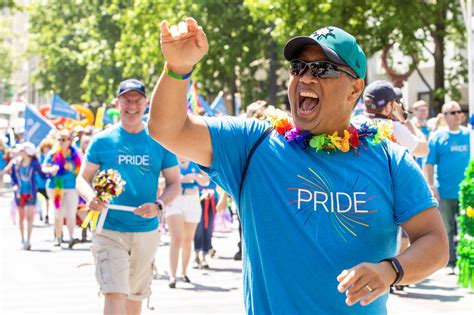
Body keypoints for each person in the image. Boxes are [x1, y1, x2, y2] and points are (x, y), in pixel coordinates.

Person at [148, 18, 448, 315]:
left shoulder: (389, 159)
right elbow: (168, 129)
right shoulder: (253, 145)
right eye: (298, 68)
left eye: (323, 69)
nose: (305, 78)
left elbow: (434, 241)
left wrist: (391, 270)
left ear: (355, 90)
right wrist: (177, 69)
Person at [76, 78, 181, 315]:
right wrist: (91, 197)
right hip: (110, 229)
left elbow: (175, 184)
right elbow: (82, 179)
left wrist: (159, 204)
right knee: (114, 292)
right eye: (126, 100)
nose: (132, 106)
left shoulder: (159, 140)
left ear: (146, 103)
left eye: (137, 100)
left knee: (135, 298)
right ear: (117, 103)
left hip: (145, 231)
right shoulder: (102, 140)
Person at [424, 101, 470, 274]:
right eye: (452, 112)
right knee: (447, 228)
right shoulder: (438, 137)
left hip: (467, 192)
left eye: (459, 111)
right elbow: (428, 164)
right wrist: (430, 186)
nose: (457, 114)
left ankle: (465, 260)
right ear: (445, 117)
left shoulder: (469, 135)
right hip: (445, 191)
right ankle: (450, 262)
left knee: (466, 226)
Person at [353, 80, 429, 158]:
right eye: (394, 102)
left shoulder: (355, 123)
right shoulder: (393, 128)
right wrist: (405, 120)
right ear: (388, 107)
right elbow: (424, 150)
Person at [165, 156, 209, 288]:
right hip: (175, 201)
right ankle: (172, 275)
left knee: (187, 240)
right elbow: (159, 181)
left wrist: (195, 176)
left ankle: (183, 272)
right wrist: (179, 179)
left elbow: (206, 181)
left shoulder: (195, 159)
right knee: (176, 238)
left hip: (192, 201)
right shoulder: (170, 159)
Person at [10, 142, 57, 250]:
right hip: (19, 194)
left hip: (31, 193)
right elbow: (13, 177)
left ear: (27, 152)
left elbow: (42, 175)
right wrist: (15, 185)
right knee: (21, 217)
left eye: (22, 150)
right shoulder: (15, 164)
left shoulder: (34, 163)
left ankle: (28, 240)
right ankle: (22, 239)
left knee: (30, 217)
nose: (19, 152)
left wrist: (51, 173)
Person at [43, 129, 82, 248]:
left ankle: (71, 237)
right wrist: (51, 170)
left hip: (71, 187)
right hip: (56, 187)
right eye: (59, 139)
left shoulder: (75, 154)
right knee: (58, 214)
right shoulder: (53, 154)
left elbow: (81, 169)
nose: (61, 142)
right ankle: (58, 237)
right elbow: (44, 168)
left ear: (70, 141)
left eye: (64, 139)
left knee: (71, 213)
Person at [36, 138, 55, 224]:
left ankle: (47, 214)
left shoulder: (52, 156)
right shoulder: (39, 156)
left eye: (48, 147)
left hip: (47, 181)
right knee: (39, 198)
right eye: (45, 147)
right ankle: (40, 212)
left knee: (48, 199)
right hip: (39, 181)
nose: (46, 149)